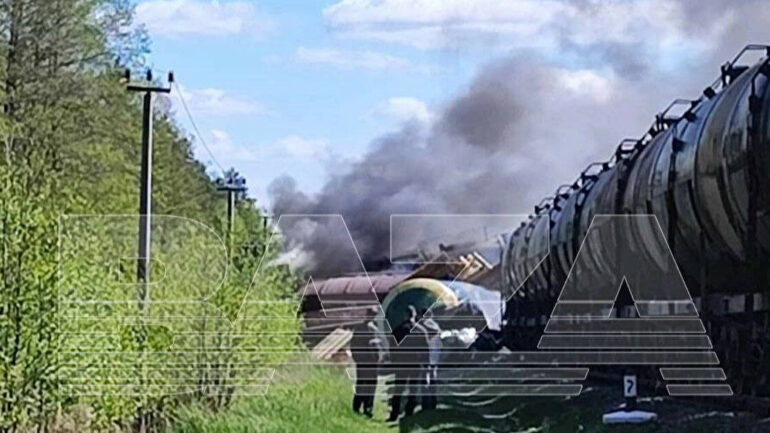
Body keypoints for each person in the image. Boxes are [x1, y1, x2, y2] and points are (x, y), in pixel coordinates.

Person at [388, 305, 430, 421]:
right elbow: (426, 350)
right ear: (414, 315)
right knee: (413, 390)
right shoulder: (421, 331)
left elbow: (392, 347)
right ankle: (409, 413)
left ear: (405, 315)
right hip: (416, 364)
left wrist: (393, 360)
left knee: (398, 389)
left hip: (402, 363)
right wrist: (426, 364)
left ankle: (394, 414)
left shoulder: (398, 329)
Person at [351, 313, 380, 417]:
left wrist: (378, 357)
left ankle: (367, 408)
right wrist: (357, 358)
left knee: (370, 385)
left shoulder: (374, 329)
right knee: (362, 384)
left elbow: (378, 345)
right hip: (364, 361)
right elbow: (354, 344)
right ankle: (358, 407)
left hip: (372, 362)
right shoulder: (361, 329)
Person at [421, 317, 442, 410]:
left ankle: (425, 403)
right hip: (434, 361)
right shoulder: (437, 333)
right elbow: (440, 348)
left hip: (427, 360)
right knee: (432, 381)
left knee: (425, 382)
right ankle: (433, 402)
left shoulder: (424, 327)